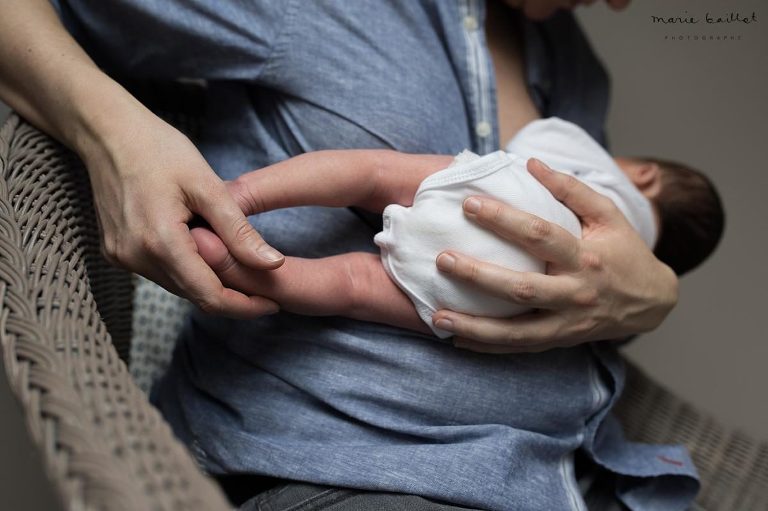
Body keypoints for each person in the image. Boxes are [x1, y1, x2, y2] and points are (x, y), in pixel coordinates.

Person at [0, 0, 694, 509]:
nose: (622, 5)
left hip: (578, 478)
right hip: (365, 472)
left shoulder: (576, 69)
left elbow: (554, 276)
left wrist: (651, 296)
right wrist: (112, 134)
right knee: (346, 272)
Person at [190, 117, 724, 341]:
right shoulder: (627, 282)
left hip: (511, 198)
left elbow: (540, 138)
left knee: (369, 174)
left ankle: (236, 197)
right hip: (505, 299)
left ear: (645, 175)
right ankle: (228, 262)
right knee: (352, 286)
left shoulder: (606, 176)